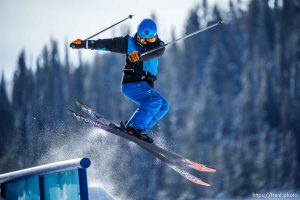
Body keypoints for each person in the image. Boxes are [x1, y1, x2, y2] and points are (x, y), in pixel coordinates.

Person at [70, 18, 168, 143]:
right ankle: (134, 127)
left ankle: (140, 129)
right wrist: (84, 44)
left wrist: (140, 56)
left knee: (164, 106)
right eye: (144, 39)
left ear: (155, 36)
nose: (148, 42)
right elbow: (107, 44)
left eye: (151, 39)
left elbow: (157, 52)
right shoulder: (129, 43)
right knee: (155, 101)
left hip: (144, 86)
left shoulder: (158, 45)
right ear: (138, 36)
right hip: (132, 84)